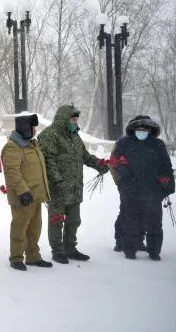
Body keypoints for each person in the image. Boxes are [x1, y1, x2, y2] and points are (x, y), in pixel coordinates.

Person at [37, 105, 108, 264]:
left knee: (74, 220)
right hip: (58, 188)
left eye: (76, 120)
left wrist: (99, 165)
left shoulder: (75, 137)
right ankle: (57, 250)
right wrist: (57, 180)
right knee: (57, 220)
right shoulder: (50, 135)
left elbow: (85, 156)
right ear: (64, 119)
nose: (75, 123)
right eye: (72, 119)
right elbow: (48, 161)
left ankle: (70, 248)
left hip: (74, 188)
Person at [110, 116, 175, 261]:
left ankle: (154, 251)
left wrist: (167, 186)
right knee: (130, 220)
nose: (142, 132)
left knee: (154, 221)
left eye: (145, 130)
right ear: (133, 130)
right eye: (139, 130)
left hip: (152, 190)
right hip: (130, 189)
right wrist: (124, 179)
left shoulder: (158, 145)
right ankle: (129, 249)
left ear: (150, 130)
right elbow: (114, 162)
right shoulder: (123, 143)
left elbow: (166, 166)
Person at [1, 114, 53, 271]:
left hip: (35, 195)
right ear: (25, 129)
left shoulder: (32, 144)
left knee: (34, 228)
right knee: (20, 227)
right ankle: (16, 257)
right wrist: (23, 191)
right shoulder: (13, 147)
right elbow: (12, 172)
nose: (35, 130)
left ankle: (33, 256)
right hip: (22, 197)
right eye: (33, 127)